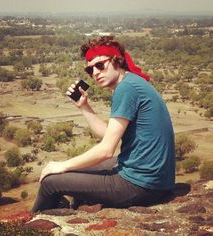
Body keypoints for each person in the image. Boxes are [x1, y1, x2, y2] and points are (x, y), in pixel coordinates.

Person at [31, 36, 175, 213]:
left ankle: (28, 226)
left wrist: (63, 165)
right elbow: (109, 136)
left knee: (50, 182)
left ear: (117, 61)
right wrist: (84, 107)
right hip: (156, 180)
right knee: (81, 169)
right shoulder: (133, 82)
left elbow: (106, 150)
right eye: (90, 69)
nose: (95, 73)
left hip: (141, 185)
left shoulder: (126, 88)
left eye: (100, 65)